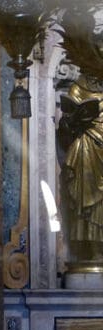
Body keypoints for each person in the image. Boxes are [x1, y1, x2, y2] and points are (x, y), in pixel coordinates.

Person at [57, 75, 103, 261]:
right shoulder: (78, 87)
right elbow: (65, 128)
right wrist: (71, 121)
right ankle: (94, 252)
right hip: (87, 149)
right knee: (89, 203)